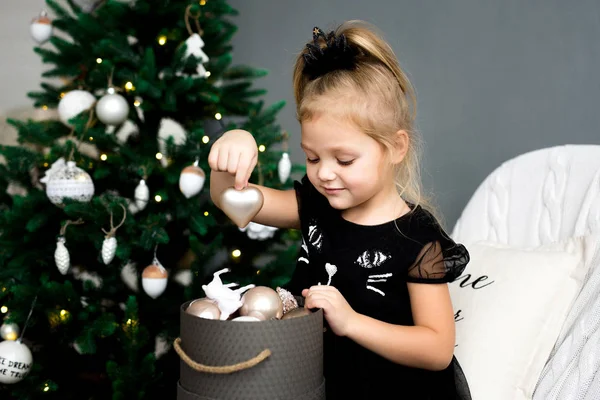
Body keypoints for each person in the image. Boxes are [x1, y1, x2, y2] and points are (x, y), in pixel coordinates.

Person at [208, 20, 471, 400]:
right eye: (312, 157)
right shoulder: (316, 208)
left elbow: (437, 350)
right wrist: (233, 148)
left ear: (396, 147)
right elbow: (234, 202)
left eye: (344, 160)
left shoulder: (418, 239)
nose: (325, 174)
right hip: (312, 383)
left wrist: (351, 322)